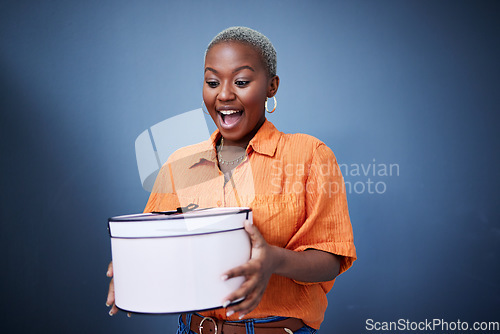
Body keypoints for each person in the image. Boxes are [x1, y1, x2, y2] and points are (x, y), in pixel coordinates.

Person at [106, 26, 356, 334]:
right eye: (212, 82)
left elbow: (330, 259)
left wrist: (274, 260)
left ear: (271, 86)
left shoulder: (310, 155)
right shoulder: (179, 164)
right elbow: (158, 244)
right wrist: (133, 266)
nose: (224, 94)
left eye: (241, 81)